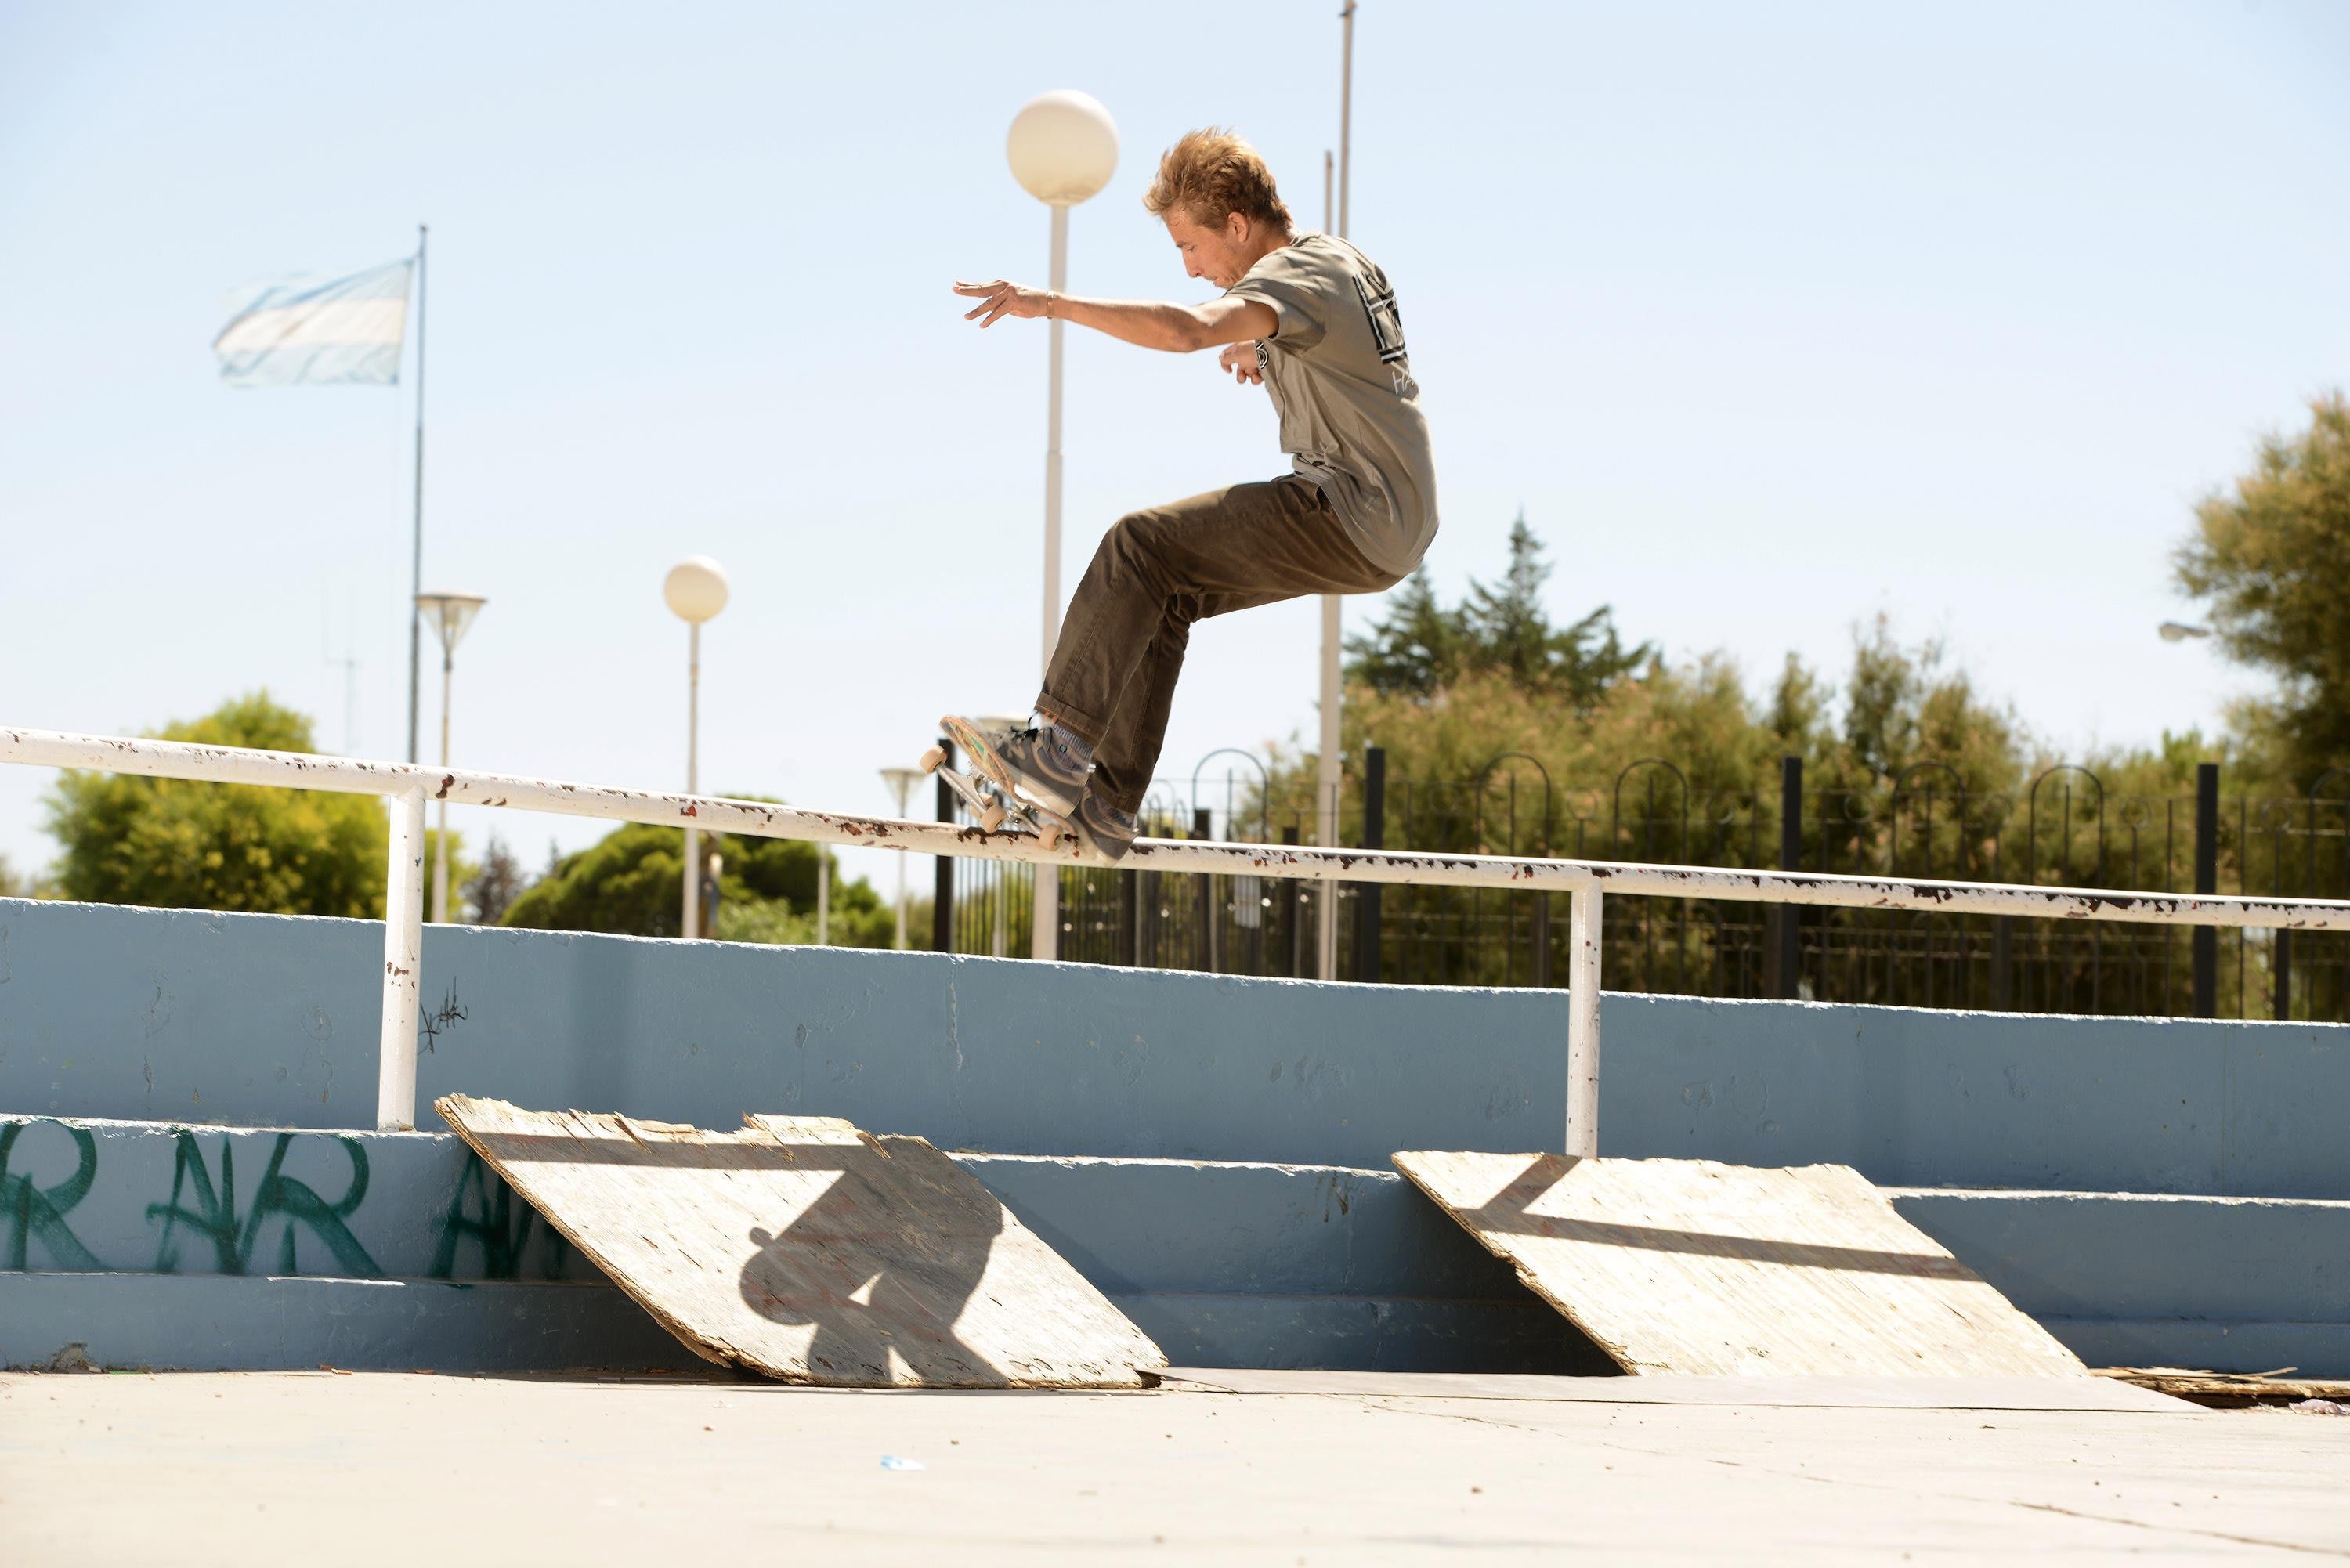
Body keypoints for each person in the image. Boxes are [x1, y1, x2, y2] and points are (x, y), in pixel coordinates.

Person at [949, 128, 1438, 858]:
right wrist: (1264, 348)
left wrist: (1050, 304)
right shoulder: (1338, 260)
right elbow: (1345, 350)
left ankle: (1056, 750)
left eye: (1191, 247)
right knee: (1165, 590)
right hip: (1392, 520)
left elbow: (1185, 332)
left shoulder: (1292, 275)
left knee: (1139, 546)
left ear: (1237, 227)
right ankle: (1109, 803)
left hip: (1351, 507)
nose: (1191, 268)